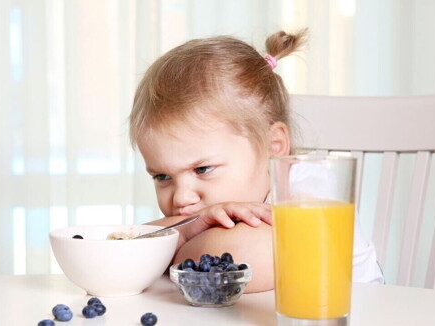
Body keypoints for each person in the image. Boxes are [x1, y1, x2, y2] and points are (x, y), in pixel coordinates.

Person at [128, 29, 384, 293]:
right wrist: (187, 229)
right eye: (162, 177)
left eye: (202, 169)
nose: (181, 198)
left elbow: (249, 258)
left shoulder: (308, 186)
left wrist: (171, 245)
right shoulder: (199, 210)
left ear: (273, 148)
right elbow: (118, 249)